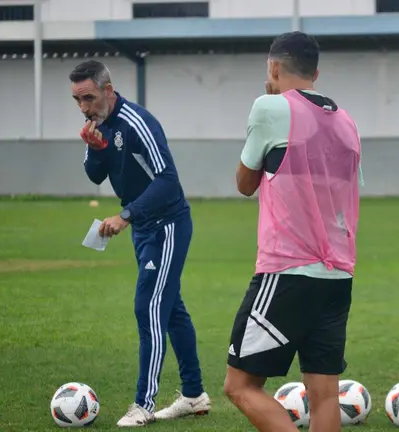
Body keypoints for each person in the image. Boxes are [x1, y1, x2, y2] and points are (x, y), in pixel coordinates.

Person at [223, 31, 364, 432]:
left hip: (288, 271)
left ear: (272, 67)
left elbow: (245, 183)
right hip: (338, 275)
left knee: (239, 385)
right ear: (316, 72)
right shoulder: (347, 121)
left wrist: (269, 100)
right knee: (323, 396)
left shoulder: (270, 107)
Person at [69, 60, 210, 428]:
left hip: (167, 224)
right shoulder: (97, 125)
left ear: (108, 90)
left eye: (89, 97)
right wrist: (95, 148)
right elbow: (96, 174)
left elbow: (168, 180)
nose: (84, 107)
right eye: (77, 100)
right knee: (171, 309)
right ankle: (194, 395)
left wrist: (125, 214)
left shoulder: (138, 122)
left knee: (147, 306)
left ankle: (143, 404)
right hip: (144, 228)